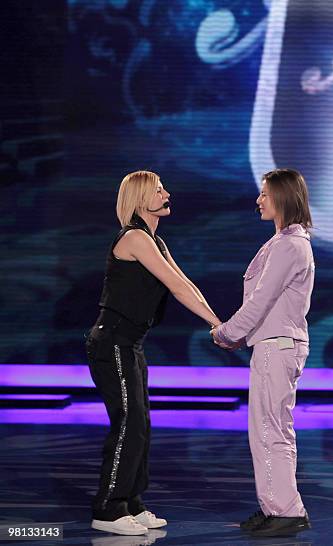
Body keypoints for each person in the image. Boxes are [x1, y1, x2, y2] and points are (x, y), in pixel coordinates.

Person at [85, 170, 221, 536]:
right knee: (128, 421)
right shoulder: (134, 238)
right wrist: (217, 325)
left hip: (129, 344)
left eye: (164, 188)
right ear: (141, 199)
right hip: (111, 342)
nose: (166, 193)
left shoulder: (155, 242)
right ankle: (109, 509)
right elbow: (176, 287)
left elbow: (186, 282)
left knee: (140, 423)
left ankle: (132, 503)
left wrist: (219, 323)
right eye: (158, 190)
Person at [211, 168, 315, 537]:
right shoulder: (285, 242)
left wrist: (227, 333)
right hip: (273, 344)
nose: (258, 200)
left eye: (264, 194)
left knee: (271, 430)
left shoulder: (289, 245)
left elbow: (259, 302)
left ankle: (285, 510)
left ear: (282, 197)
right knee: (269, 429)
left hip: (276, 346)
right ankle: (275, 506)